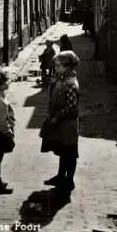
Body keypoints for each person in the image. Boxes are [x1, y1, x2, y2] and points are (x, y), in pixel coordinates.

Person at [40, 50, 80, 194]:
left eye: (58, 65)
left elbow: (71, 107)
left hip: (68, 124)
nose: (56, 68)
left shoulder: (70, 84)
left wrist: (57, 116)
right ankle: (60, 176)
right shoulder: (62, 79)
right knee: (63, 151)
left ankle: (69, 181)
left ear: (67, 66)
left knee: (70, 152)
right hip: (60, 123)